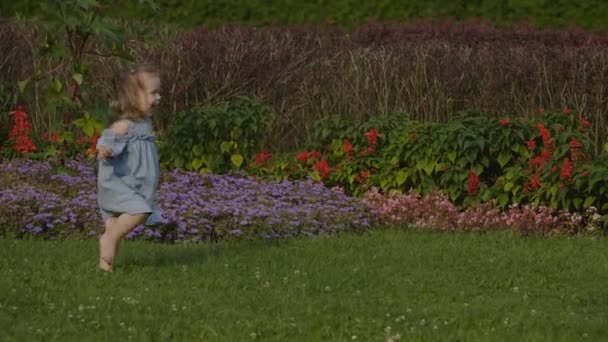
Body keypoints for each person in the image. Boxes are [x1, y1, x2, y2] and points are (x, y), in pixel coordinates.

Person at [96, 64, 162, 272]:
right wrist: (106, 149)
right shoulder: (124, 124)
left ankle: (105, 267)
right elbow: (107, 138)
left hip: (135, 183)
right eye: (153, 92)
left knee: (114, 222)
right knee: (141, 210)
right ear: (134, 96)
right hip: (120, 184)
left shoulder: (146, 122)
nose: (158, 97)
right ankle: (109, 238)